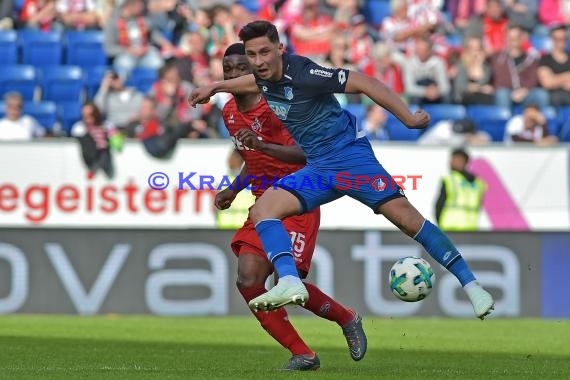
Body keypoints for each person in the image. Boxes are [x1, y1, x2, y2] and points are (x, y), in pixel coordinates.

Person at [189, 20, 495, 320]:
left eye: (264, 53)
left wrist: (407, 119)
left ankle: (472, 286)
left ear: (280, 49)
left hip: (350, 159)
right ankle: (290, 281)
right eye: (252, 55)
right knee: (262, 211)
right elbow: (252, 82)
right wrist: (216, 86)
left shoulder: (306, 73)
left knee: (408, 220)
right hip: (318, 167)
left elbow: (364, 82)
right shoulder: (263, 77)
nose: (258, 61)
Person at [214, 43, 367, 371]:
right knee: (248, 280)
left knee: (287, 286)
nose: (233, 75)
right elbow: (252, 159)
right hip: (262, 205)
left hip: (297, 201)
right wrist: (234, 189)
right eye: (228, 70)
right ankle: (303, 354)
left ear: (255, 71)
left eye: (241, 69)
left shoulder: (279, 105)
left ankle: (347, 318)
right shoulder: (228, 111)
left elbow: (306, 154)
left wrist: (263, 144)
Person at [435, 148, 487, 231]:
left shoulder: (450, 179)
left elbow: (439, 204)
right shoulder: (479, 183)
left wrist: (439, 222)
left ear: (464, 161)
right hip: (471, 227)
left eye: (454, 159)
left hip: (449, 226)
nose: (451, 162)